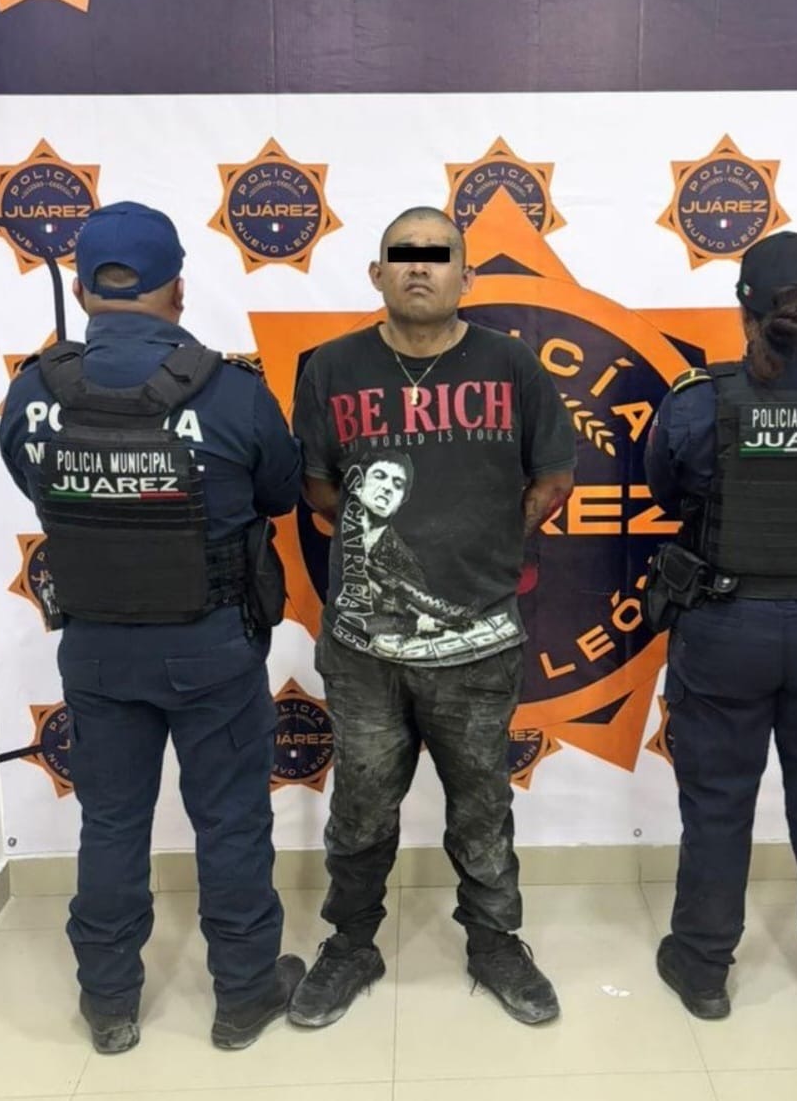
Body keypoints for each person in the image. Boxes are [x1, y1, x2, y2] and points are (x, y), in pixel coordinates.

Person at [0, 202, 305, 1054]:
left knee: (110, 824)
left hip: (96, 651)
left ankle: (109, 1006)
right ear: (177, 288)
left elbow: (37, 486)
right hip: (212, 648)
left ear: (84, 290)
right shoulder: (232, 392)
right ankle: (243, 996)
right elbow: (281, 493)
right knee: (231, 822)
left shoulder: (33, 393)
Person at [290, 206, 575, 1028]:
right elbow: (319, 488)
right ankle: (351, 944)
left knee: (482, 807)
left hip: (478, 644)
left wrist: (493, 543)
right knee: (360, 808)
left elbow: (554, 476)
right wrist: (382, 547)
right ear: (377, 273)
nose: (420, 268)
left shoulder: (511, 365)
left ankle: (494, 943)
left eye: (438, 255)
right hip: (363, 653)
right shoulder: (332, 368)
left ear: (466, 276)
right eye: (403, 256)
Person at [643, 231, 797, 1024]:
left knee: (718, 803)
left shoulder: (698, 399)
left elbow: (666, 491)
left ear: (742, 307)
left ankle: (702, 969)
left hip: (728, 627)